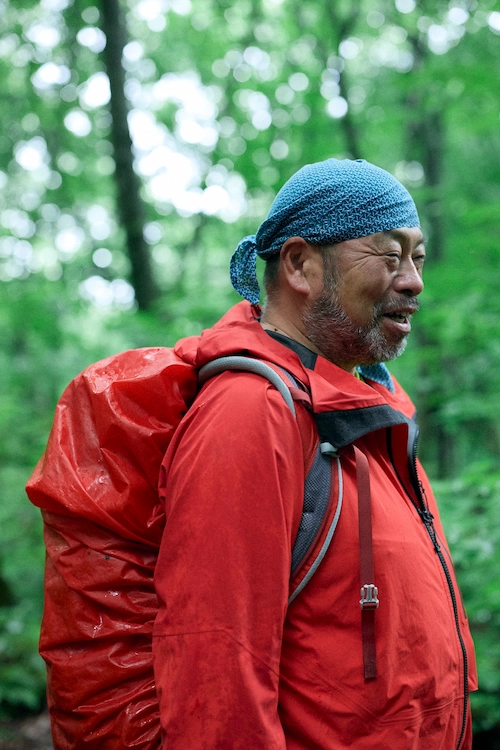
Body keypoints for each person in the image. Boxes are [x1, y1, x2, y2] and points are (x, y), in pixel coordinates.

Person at [151, 158, 477, 749]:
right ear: (300, 264)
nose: (414, 281)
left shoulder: (363, 413)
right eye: (388, 254)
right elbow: (215, 679)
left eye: (418, 257)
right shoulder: (253, 413)